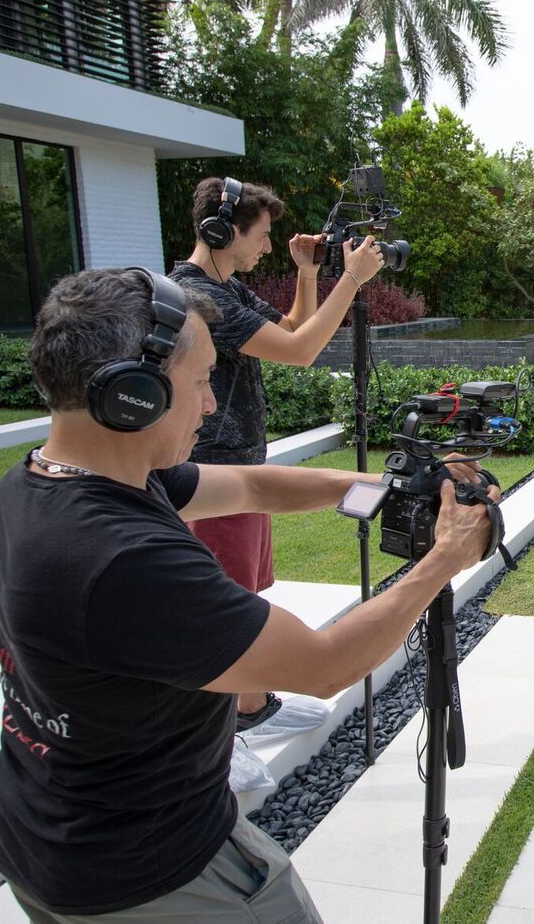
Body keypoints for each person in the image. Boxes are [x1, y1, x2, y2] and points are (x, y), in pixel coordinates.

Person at [0, 267, 495, 923]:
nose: (210, 404)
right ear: (134, 394)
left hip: (44, 838)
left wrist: (391, 489)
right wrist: (446, 558)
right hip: (154, 872)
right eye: (202, 380)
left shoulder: (46, 481)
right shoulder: (124, 560)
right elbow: (324, 666)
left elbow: (254, 487)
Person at [169, 176, 384, 729]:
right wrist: (352, 280)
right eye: (262, 235)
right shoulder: (200, 297)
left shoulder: (225, 286)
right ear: (222, 231)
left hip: (241, 463)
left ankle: (251, 706)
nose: (268, 246)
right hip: (216, 471)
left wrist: (307, 274)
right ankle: (229, 727)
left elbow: (289, 327)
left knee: (244, 590)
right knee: (226, 602)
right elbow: (300, 350)